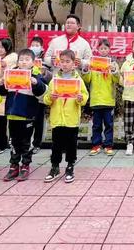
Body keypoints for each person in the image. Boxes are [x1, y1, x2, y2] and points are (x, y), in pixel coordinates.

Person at [0, 49, 47, 181]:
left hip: (27, 114)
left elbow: (42, 91)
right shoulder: (11, 73)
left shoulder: (35, 74)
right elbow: (3, 92)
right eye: (21, 60)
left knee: (26, 142)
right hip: (12, 113)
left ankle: (25, 165)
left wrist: (36, 83)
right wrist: (0, 84)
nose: (23, 62)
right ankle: (13, 166)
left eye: (27, 60)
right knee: (13, 141)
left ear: (33, 62)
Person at [43, 49, 88, 183]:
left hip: (71, 119)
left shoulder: (78, 80)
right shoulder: (54, 80)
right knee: (56, 145)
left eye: (68, 61)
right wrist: (50, 98)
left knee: (71, 145)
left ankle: (70, 166)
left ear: (74, 64)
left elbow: (85, 96)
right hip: (57, 119)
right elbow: (46, 99)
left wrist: (81, 98)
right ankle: (55, 167)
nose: (65, 64)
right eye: (62, 61)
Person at [82, 39, 119, 156]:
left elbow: (117, 80)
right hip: (96, 100)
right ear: (98, 50)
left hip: (108, 100)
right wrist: (87, 70)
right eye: (101, 48)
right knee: (96, 125)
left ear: (109, 49)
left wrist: (114, 71)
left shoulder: (113, 63)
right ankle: (96, 145)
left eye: (106, 48)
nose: (103, 50)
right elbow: (87, 80)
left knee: (109, 125)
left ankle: (108, 146)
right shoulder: (93, 62)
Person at [0, 38, 17, 155]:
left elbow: (12, 75)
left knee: (0, 120)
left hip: (4, 92)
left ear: (7, 48)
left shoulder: (12, 60)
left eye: (2, 47)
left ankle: (1, 144)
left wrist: (5, 67)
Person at [30, 36, 52, 153]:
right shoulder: (26, 59)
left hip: (41, 95)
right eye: (32, 45)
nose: (34, 47)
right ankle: (27, 142)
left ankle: (37, 143)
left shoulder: (45, 61)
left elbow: (50, 77)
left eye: (37, 45)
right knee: (28, 119)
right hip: (28, 95)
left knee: (39, 120)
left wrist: (44, 72)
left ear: (42, 47)